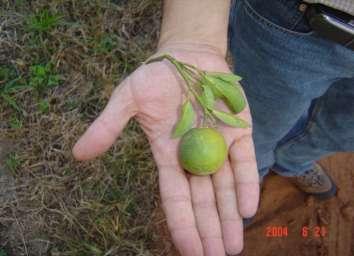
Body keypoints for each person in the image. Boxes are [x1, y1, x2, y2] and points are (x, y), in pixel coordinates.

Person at [72, 0, 354, 255]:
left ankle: (292, 162)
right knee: (259, 124)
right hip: (297, 23)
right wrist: (191, 34)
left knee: (338, 131)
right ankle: (253, 174)